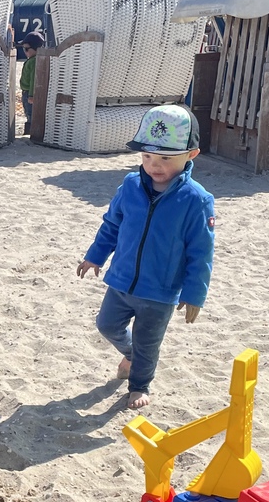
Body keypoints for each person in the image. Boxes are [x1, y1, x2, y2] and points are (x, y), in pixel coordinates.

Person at [76, 104, 214, 410]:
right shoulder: (130, 186)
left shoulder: (197, 201)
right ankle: (131, 352)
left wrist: (194, 294)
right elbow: (112, 225)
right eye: (147, 156)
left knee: (149, 342)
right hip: (122, 280)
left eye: (165, 158)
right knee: (106, 325)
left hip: (160, 291)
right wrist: (95, 257)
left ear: (191, 155)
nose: (154, 165)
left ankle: (140, 384)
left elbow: (201, 252)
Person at [20, 31, 45, 135]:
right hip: (25, 92)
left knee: (31, 113)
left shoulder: (34, 61)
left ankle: (31, 132)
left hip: (29, 94)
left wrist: (32, 95)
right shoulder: (31, 60)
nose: (25, 52)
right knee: (28, 112)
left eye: (26, 49)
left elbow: (34, 80)